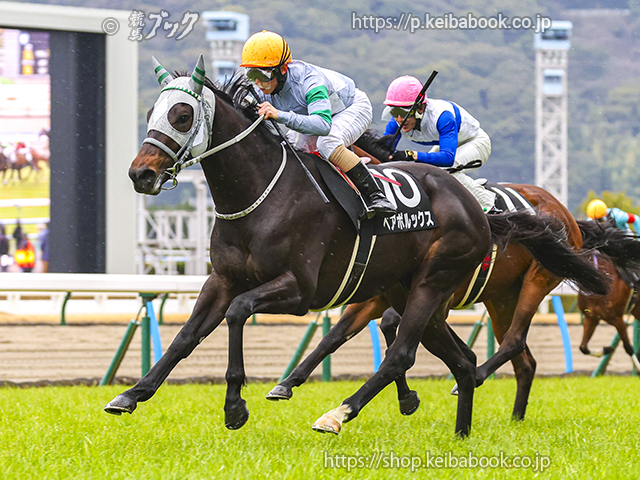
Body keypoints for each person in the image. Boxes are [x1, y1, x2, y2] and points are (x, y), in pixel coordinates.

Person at [240, 30, 395, 218]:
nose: (258, 82)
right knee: (290, 149)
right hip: (316, 116)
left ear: (283, 69)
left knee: (327, 143)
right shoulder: (266, 87)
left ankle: (375, 195)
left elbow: (322, 126)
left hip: (352, 108)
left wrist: (279, 115)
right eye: (251, 74)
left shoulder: (310, 82)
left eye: (263, 74)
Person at [381, 75, 498, 213]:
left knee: (444, 170)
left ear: (420, 108)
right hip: (447, 144)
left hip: (475, 142)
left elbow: (447, 158)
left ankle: (489, 205)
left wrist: (412, 155)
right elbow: (383, 150)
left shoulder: (443, 116)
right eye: (394, 112)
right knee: (424, 172)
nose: (399, 119)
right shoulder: (396, 121)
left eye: (405, 112)